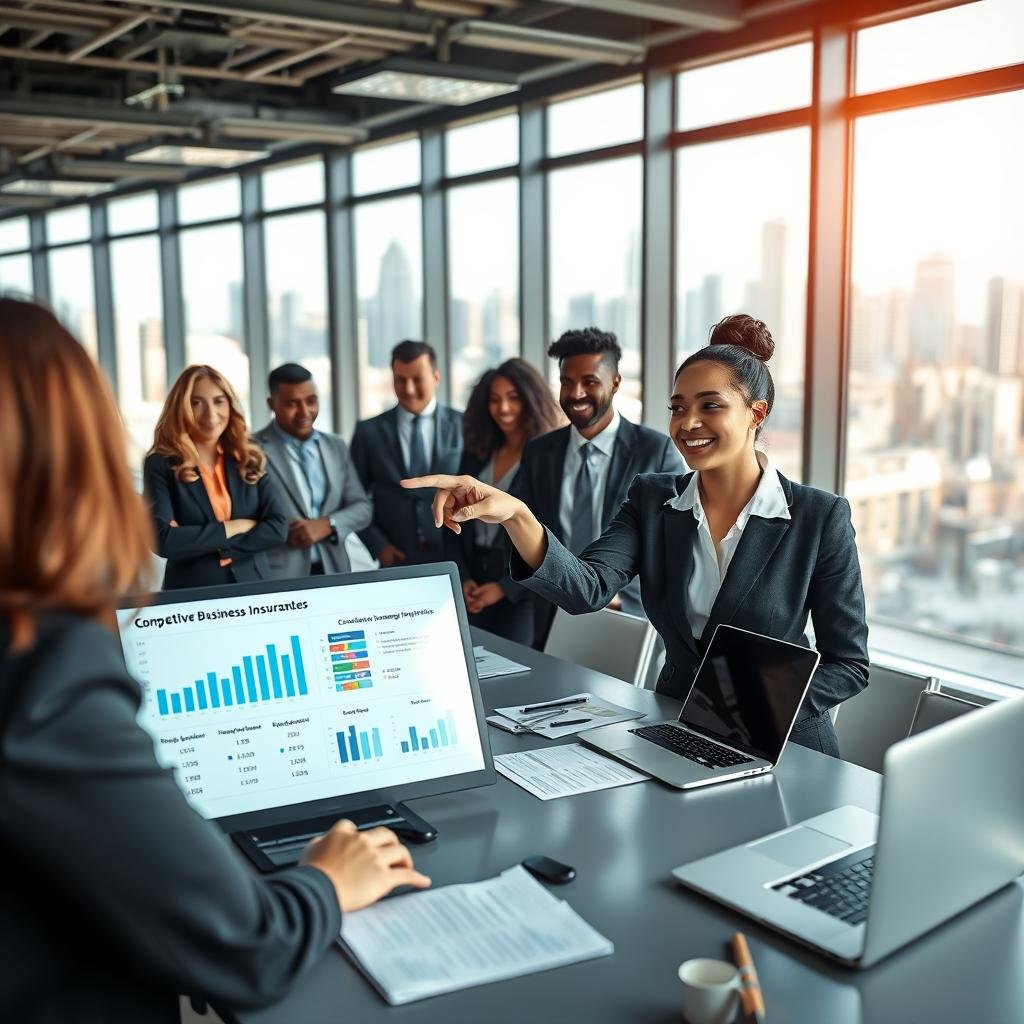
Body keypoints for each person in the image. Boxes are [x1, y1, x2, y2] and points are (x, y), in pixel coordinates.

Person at [0, 298, 430, 1024]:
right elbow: (250, 947)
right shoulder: (41, 664)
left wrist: (225, 532)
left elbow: (271, 526)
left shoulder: (251, 459)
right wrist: (328, 879)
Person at [405, 315, 869, 756]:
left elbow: (848, 664)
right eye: (678, 407)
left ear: (755, 413)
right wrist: (516, 514)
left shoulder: (818, 517)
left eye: (711, 405)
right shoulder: (654, 500)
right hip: (677, 729)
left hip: (786, 744)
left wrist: (751, 711)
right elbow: (586, 588)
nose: (688, 423)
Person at [513, 327, 683, 646]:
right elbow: (526, 534)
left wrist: (617, 597)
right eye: (566, 382)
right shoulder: (538, 452)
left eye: (589, 381)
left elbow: (670, 546)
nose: (576, 393)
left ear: (615, 382)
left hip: (624, 618)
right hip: (551, 612)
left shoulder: (656, 452)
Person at [144, 365, 287, 590]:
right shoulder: (161, 464)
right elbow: (163, 540)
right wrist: (237, 526)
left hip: (255, 590)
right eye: (196, 403)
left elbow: (278, 528)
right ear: (181, 408)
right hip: (193, 596)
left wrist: (202, 541)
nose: (210, 414)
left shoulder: (249, 455)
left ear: (230, 405)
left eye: (219, 401)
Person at [450, 358, 563, 644]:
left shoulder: (546, 456)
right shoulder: (477, 450)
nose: (503, 408)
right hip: (473, 576)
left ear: (531, 400)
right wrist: (462, 578)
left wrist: (503, 588)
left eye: (513, 398)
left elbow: (549, 530)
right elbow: (453, 516)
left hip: (521, 584)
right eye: (494, 399)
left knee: (516, 668)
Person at [254, 362, 372, 579]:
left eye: (311, 401)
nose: (304, 412)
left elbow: (362, 508)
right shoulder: (251, 449)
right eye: (292, 404)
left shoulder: (335, 445)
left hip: (334, 571)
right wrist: (279, 532)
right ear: (271, 404)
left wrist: (327, 525)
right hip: (278, 577)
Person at [350, 339, 462, 567]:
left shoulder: (465, 425)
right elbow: (352, 497)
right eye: (400, 380)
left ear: (436, 377)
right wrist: (378, 545)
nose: (409, 389)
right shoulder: (367, 432)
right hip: (395, 559)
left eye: (417, 379)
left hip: (454, 556)